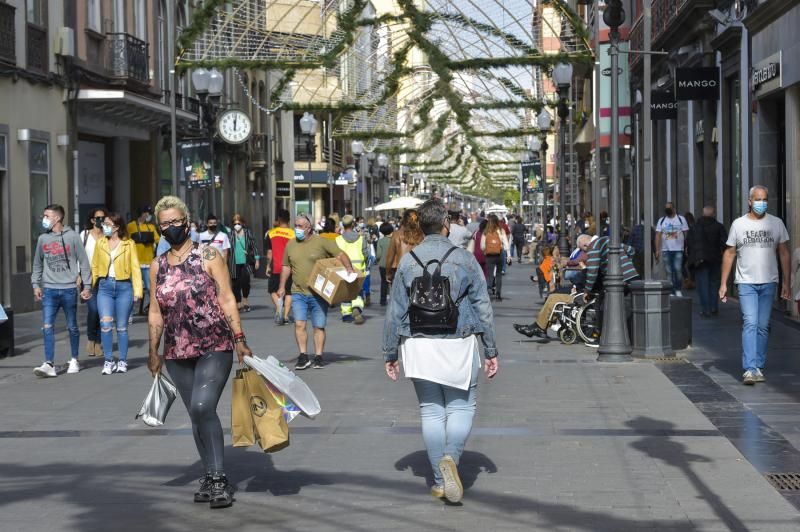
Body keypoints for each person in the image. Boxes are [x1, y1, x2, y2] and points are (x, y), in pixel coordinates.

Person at [383, 198, 498, 503]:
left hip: (418, 344)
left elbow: (394, 311)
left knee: (431, 410)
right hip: (458, 343)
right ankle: (451, 457)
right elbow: (483, 307)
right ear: (446, 223)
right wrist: (490, 349)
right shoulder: (464, 259)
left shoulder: (408, 261)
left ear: (419, 225)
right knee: (461, 407)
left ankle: (438, 479)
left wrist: (390, 353)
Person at [148, 195, 252, 509]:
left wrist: (240, 338)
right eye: (164, 223)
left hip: (214, 344)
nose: (171, 227)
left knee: (204, 405)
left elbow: (227, 298)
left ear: (187, 221)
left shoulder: (209, 255)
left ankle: (219, 478)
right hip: (177, 350)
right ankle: (209, 474)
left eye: (175, 221)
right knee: (195, 412)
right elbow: (155, 311)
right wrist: (153, 350)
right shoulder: (158, 265)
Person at [719, 185, 790, 386]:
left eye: (765, 199)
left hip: (769, 282)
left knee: (762, 326)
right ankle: (750, 368)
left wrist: (787, 282)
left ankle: (758, 365)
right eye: (758, 199)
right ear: (749, 201)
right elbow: (729, 253)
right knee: (750, 322)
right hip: (746, 283)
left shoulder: (776, 223)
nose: (761, 203)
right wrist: (723, 283)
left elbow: (784, 252)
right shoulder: (738, 224)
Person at [277, 215, 356, 370]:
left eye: (300, 226)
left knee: (318, 326)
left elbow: (340, 254)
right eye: (295, 225)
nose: (297, 229)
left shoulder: (321, 242)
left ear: (309, 227)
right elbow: (286, 266)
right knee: (299, 323)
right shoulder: (291, 244)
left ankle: (318, 356)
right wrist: (281, 286)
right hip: (298, 291)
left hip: (318, 293)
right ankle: (303, 356)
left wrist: (348, 268)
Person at [31, 204, 93, 377]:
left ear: (57, 218)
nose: (43, 219)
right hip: (49, 290)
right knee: (47, 326)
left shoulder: (73, 237)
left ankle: (74, 359)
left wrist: (87, 286)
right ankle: (49, 363)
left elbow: (84, 262)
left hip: (68, 290)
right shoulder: (43, 239)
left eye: (46, 216)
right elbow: (37, 264)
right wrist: (35, 284)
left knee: (72, 326)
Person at [91, 213, 143, 375]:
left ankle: (122, 360)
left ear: (117, 227)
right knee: (105, 326)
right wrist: (92, 286)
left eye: (107, 223)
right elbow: (94, 265)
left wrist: (138, 290)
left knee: (121, 327)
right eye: (104, 223)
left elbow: (135, 267)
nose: (104, 226)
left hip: (124, 287)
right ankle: (108, 361)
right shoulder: (100, 243)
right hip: (105, 287)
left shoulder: (129, 244)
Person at [515, 236, 592, 339]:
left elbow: (589, 277)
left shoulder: (589, 256)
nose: (583, 251)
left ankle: (539, 327)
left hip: (583, 294)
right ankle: (540, 326)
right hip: (581, 290)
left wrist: (580, 285)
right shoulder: (590, 255)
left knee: (553, 298)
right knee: (554, 295)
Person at [583, 235, 640, 347]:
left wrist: (587, 290)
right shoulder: (609, 239)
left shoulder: (593, 247)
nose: (586, 253)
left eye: (583, 250)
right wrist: (626, 264)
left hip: (619, 279)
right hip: (632, 276)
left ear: (585, 244)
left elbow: (592, 272)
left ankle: (600, 338)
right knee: (628, 307)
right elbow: (631, 250)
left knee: (602, 306)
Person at [687, 206, 727, 317]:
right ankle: (714, 307)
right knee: (714, 284)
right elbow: (724, 244)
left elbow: (689, 243)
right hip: (715, 259)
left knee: (703, 285)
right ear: (714, 214)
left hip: (700, 260)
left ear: (703, 214)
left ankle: (706, 310)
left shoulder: (695, 227)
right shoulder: (719, 227)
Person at [80, 208, 107, 357]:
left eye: (103, 217)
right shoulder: (84, 235)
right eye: (98, 218)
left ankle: (98, 342)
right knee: (94, 310)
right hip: (88, 278)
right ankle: (91, 339)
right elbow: (79, 255)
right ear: (92, 220)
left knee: (103, 312)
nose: (101, 220)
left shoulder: (107, 235)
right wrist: (79, 276)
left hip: (104, 278)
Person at [336, 215, 369, 324]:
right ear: (353, 224)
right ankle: (357, 308)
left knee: (345, 291)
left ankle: (346, 315)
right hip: (358, 269)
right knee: (357, 291)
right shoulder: (360, 238)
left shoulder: (338, 239)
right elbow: (366, 254)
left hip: (343, 269)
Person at [127, 205, 160, 315]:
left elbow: (157, 240)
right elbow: (125, 242)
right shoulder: (131, 226)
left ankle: (150, 310)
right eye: (147, 212)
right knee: (133, 289)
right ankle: (130, 312)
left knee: (150, 289)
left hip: (148, 263)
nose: (148, 215)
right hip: (135, 263)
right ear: (142, 213)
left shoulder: (151, 227)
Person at [265, 209, 294, 324]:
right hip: (290, 267)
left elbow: (270, 252)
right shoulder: (294, 234)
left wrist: (268, 265)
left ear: (279, 219)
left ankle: (278, 306)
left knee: (272, 290)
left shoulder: (271, 233)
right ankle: (286, 317)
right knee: (289, 292)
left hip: (276, 266)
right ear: (289, 219)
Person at [655, 202, 689, 296]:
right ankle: (671, 290)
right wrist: (657, 249)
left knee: (677, 269)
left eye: (669, 208)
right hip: (666, 250)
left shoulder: (681, 219)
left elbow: (686, 233)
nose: (667, 210)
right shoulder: (661, 220)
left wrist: (687, 246)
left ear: (674, 209)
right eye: (666, 208)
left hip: (679, 249)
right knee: (669, 271)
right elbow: (657, 235)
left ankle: (678, 288)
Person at [228, 214, 260, 313]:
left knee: (245, 282)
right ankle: (238, 302)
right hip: (234, 262)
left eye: (238, 223)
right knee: (236, 284)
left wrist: (257, 259)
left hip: (245, 262)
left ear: (242, 223)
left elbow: (254, 246)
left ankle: (245, 300)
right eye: (235, 223)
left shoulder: (247, 233)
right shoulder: (230, 234)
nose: (237, 225)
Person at [386, 209, 424, 283]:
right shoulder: (422, 235)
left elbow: (390, 256)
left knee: (398, 293)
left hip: (399, 269)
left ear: (404, 220)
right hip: (418, 270)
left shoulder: (397, 235)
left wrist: (388, 272)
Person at [481, 214, 510, 301]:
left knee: (490, 274)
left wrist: (486, 251)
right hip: (499, 254)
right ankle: (498, 293)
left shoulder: (485, 231)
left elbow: (482, 246)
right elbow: (506, 244)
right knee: (498, 275)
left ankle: (489, 289)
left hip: (489, 255)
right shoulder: (501, 230)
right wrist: (508, 255)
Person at [375, 222, 394, 306]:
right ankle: (394, 300)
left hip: (383, 265)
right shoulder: (395, 240)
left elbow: (378, 255)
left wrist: (378, 261)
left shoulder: (380, 241)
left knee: (384, 282)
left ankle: (383, 300)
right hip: (394, 264)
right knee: (394, 283)